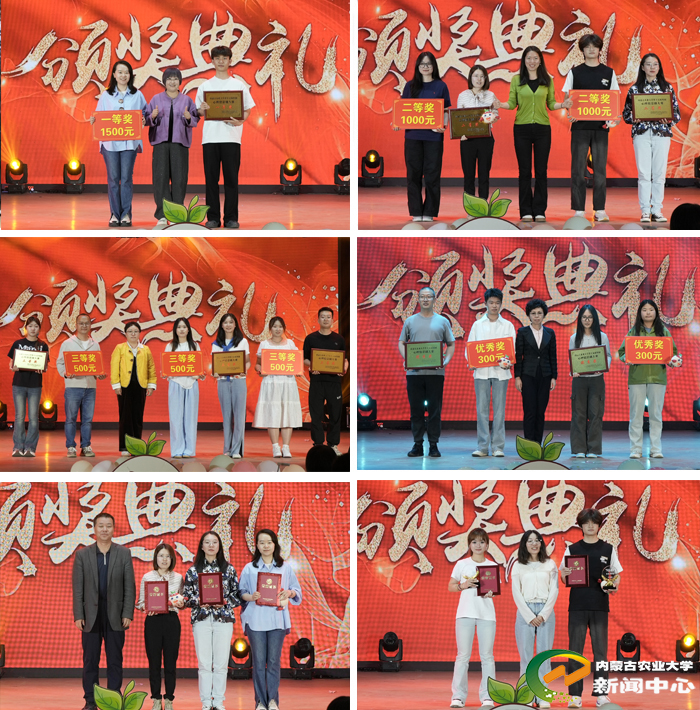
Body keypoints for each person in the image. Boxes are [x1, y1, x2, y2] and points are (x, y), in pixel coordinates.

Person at [494, 46, 572, 221]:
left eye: (535, 58)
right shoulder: (516, 80)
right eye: (529, 58)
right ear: (524, 60)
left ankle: (540, 210)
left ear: (540, 61)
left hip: (543, 129)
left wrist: (563, 105)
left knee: (541, 171)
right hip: (521, 129)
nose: (532, 61)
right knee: (524, 171)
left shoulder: (547, 80)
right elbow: (512, 103)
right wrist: (500, 104)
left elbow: (551, 103)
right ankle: (526, 210)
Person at [560, 509, 622, 708]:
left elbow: (616, 575)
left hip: (599, 606)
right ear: (581, 525)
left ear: (598, 525)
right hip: (577, 606)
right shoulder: (572, 549)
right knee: (575, 651)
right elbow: (563, 576)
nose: (590, 526)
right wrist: (565, 574)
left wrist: (613, 586)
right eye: (586, 523)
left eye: (594, 522)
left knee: (601, 652)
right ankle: (574, 696)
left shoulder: (608, 549)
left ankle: (602, 694)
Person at [72, 512, 135, 710]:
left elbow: (129, 586)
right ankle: (91, 701)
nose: (105, 529)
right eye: (101, 526)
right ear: (94, 529)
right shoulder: (82, 555)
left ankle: (113, 700)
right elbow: (78, 588)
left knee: (115, 659)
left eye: (108, 526)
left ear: (113, 529)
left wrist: (127, 613)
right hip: (90, 615)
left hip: (116, 614)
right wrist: (79, 615)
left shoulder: (123, 553)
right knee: (90, 660)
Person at [239, 529, 302, 710]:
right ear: (256, 546)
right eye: (261, 542)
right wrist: (251, 596)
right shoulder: (249, 568)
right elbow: (241, 592)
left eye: (269, 542)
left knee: (273, 661)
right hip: (256, 620)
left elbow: (296, 591)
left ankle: (273, 700)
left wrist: (288, 593)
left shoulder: (285, 567)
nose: (265, 546)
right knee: (259, 662)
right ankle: (260, 701)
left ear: (275, 544)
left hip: (277, 620)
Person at [196, 45, 256, 229]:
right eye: (217, 58)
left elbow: (247, 109)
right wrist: (202, 109)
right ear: (212, 61)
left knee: (231, 180)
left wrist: (241, 120)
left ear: (230, 61)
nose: (221, 61)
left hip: (231, 138)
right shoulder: (205, 86)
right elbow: (198, 112)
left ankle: (231, 218)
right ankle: (213, 218)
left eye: (224, 58)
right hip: (210, 139)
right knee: (211, 181)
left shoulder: (238, 85)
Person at [562, 35, 621, 222]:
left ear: (599, 49)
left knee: (600, 170)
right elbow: (567, 98)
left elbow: (614, 98)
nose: (591, 49)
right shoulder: (575, 72)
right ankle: (579, 209)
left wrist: (613, 119)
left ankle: (600, 209)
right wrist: (569, 110)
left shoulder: (608, 73)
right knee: (578, 169)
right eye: (587, 47)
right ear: (582, 50)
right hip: (580, 127)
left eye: (594, 46)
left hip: (601, 127)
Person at [183, 531, 241, 710]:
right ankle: (206, 702)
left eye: (214, 542)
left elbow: (237, 596)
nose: (210, 545)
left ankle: (219, 701)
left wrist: (224, 601)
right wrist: (200, 600)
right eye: (207, 542)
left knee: (221, 663)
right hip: (201, 620)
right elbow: (186, 598)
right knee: (204, 663)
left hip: (223, 620)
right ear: (201, 546)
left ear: (219, 546)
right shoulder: (193, 571)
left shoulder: (228, 569)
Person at [392, 51, 451, 222]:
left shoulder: (441, 86)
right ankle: (416, 211)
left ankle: (430, 211)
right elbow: (403, 109)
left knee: (432, 175)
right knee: (413, 174)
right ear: (418, 66)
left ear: (434, 67)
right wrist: (397, 122)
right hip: (413, 136)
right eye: (422, 64)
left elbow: (445, 110)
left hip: (434, 138)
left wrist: (444, 126)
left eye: (429, 64)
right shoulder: (410, 86)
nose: (425, 67)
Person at [617, 299, 680, 458]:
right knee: (636, 416)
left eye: (651, 309)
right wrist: (626, 359)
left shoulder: (663, 332)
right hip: (637, 378)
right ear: (640, 313)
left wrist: (673, 361)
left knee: (656, 416)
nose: (648, 313)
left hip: (657, 379)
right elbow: (622, 352)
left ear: (656, 312)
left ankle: (656, 449)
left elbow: (673, 353)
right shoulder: (633, 331)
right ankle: (636, 449)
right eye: (644, 310)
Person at [622, 54, 681, 223]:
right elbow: (626, 114)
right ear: (642, 67)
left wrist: (667, 119)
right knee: (643, 173)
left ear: (659, 67)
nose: (652, 67)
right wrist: (635, 117)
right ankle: (645, 211)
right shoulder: (635, 89)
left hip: (661, 134)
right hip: (641, 134)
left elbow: (676, 115)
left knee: (659, 173)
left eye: (655, 64)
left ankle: (657, 210)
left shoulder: (667, 88)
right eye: (648, 64)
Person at [398, 286, 455, 458]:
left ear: (434, 299)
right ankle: (417, 445)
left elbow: (451, 344)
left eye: (428, 296)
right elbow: (401, 342)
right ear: (418, 299)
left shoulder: (442, 321)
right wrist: (408, 359)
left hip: (435, 374)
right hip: (414, 374)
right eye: (422, 296)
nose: (425, 299)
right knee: (416, 411)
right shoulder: (410, 321)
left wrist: (445, 361)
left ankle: (433, 445)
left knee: (434, 411)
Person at [89, 60, 147, 227]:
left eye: (126, 72)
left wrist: (144, 119)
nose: (123, 75)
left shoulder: (137, 94)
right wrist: (94, 120)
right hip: (110, 144)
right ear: (114, 74)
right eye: (120, 72)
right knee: (113, 179)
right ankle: (115, 214)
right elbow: (99, 116)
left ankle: (126, 214)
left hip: (130, 143)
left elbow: (145, 112)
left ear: (130, 75)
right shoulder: (106, 95)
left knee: (126, 178)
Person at [448, 529, 497, 709]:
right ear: (469, 544)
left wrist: (491, 593)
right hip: (465, 614)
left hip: (487, 615)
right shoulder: (462, 564)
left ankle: (488, 697)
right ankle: (458, 696)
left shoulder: (492, 565)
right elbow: (451, 586)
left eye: (482, 542)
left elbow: (494, 590)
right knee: (463, 656)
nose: (478, 545)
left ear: (487, 545)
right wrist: (464, 585)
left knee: (487, 657)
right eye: (474, 542)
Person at [146, 68, 200, 226]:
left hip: (179, 144)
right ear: (164, 81)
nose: (172, 82)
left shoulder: (187, 100)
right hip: (160, 144)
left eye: (175, 79)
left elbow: (194, 119)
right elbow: (146, 119)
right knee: (160, 178)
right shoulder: (156, 98)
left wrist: (189, 118)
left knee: (179, 178)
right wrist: (152, 117)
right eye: (169, 79)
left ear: (180, 81)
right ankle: (162, 215)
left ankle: (177, 214)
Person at [511, 531, 558, 709]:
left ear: (541, 543)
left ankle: (542, 695)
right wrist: (530, 616)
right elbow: (516, 592)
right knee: (526, 656)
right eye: (530, 541)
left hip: (546, 611)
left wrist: (543, 614)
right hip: (525, 612)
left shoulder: (550, 564)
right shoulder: (518, 566)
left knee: (544, 656)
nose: (534, 544)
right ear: (524, 544)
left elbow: (554, 591)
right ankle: (526, 695)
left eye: (537, 540)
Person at [467, 288, 515, 457]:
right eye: (491, 302)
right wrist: (471, 361)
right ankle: (482, 447)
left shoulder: (508, 325)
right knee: (482, 410)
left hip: (501, 373)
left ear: (501, 304)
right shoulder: (477, 325)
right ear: (485, 303)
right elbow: (470, 347)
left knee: (499, 410)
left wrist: (508, 361)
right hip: (481, 372)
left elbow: (512, 349)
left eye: (497, 303)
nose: (494, 306)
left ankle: (498, 447)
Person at [136, 543, 185, 710]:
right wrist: (146, 607)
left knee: (171, 662)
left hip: (171, 621)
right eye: (161, 556)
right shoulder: (147, 577)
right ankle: (156, 698)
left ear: (172, 559)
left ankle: (169, 699)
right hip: (153, 622)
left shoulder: (178, 577)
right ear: (155, 558)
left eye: (168, 556)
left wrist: (181, 603)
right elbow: (140, 602)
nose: (164, 559)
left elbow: (182, 602)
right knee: (154, 662)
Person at [56, 313, 107, 458]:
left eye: (87, 323)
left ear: (90, 325)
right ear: (76, 325)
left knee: (87, 419)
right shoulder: (68, 343)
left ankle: (86, 446)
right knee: (71, 418)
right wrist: (66, 373)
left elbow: (96, 365)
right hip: (73, 385)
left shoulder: (95, 344)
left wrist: (99, 374)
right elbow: (60, 362)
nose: (84, 326)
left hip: (90, 387)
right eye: (81, 323)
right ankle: (71, 446)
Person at [253, 316, 303, 458]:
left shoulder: (290, 344)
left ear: (284, 328)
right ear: (270, 329)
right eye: (275, 326)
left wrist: (298, 370)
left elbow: (296, 362)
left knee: (288, 413)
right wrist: (260, 370)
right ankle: (275, 447)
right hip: (271, 382)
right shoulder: (264, 344)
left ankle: (286, 447)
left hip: (287, 383)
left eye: (280, 326)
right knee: (273, 414)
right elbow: (258, 364)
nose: (277, 329)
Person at [303, 307, 349, 455]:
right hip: (317, 381)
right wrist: (312, 366)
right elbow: (305, 359)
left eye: (328, 317)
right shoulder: (311, 338)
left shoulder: (338, 339)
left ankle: (333, 444)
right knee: (316, 414)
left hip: (334, 382)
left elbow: (344, 359)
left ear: (332, 320)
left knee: (335, 414)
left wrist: (344, 368)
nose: (325, 319)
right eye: (322, 317)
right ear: (318, 319)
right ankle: (317, 444)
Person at [569, 305, 611, 458]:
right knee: (578, 414)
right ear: (580, 319)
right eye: (584, 317)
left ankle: (593, 449)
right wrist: (573, 370)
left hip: (596, 380)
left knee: (596, 413)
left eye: (590, 317)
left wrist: (603, 367)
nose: (587, 320)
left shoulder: (602, 337)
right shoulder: (574, 338)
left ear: (595, 319)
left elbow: (608, 355)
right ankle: (579, 449)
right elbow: (571, 358)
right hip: (579, 380)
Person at [514, 299, 557, 445]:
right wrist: (517, 377)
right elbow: (518, 356)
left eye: (539, 313)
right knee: (530, 411)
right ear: (528, 315)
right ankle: (529, 445)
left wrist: (554, 377)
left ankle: (537, 444)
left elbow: (553, 356)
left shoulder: (550, 333)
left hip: (545, 375)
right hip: (527, 375)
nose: (536, 316)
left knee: (540, 412)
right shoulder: (522, 332)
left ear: (544, 314)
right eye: (533, 313)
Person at [110, 321, 157, 455]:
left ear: (139, 333)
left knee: (138, 417)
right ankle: (125, 447)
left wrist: (151, 385)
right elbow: (114, 367)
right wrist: (116, 385)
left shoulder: (145, 349)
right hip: (124, 387)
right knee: (125, 417)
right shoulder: (120, 348)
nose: (133, 334)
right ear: (125, 333)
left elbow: (151, 368)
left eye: (136, 331)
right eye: (130, 331)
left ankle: (137, 447)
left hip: (140, 386)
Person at [7, 316, 49, 457]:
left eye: (36, 326)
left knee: (33, 417)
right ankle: (18, 447)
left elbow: (45, 366)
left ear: (39, 329)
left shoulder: (42, 345)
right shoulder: (18, 343)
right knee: (19, 416)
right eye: (30, 326)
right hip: (19, 384)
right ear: (26, 328)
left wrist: (42, 369)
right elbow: (11, 363)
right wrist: (13, 367)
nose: (33, 329)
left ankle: (30, 447)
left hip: (35, 385)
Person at [457, 65, 499, 201]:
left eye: (482, 76)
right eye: (476, 76)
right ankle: (470, 205)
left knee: (484, 174)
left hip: (485, 138)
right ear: (470, 78)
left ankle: (483, 203)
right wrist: (461, 133)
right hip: (467, 139)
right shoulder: (462, 95)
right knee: (468, 174)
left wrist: (492, 117)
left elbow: (495, 115)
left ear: (485, 79)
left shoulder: (490, 95)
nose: (479, 79)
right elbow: (458, 117)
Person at [164, 318, 206, 458]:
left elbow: (199, 367)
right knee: (176, 418)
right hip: (175, 384)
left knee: (190, 418)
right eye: (179, 327)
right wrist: (165, 373)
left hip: (191, 384)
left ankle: (189, 450)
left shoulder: (195, 346)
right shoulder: (170, 346)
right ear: (175, 330)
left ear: (188, 329)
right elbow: (167, 368)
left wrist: (200, 374)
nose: (181, 329)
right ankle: (177, 449)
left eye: (184, 327)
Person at [211, 313, 250, 458]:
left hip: (239, 380)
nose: (228, 325)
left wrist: (243, 371)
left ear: (235, 325)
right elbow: (215, 364)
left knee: (239, 416)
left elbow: (247, 361)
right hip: (223, 382)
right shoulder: (216, 344)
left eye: (231, 322)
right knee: (226, 416)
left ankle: (236, 450)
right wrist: (215, 373)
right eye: (225, 322)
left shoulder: (242, 342)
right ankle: (227, 449)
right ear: (221, 325)